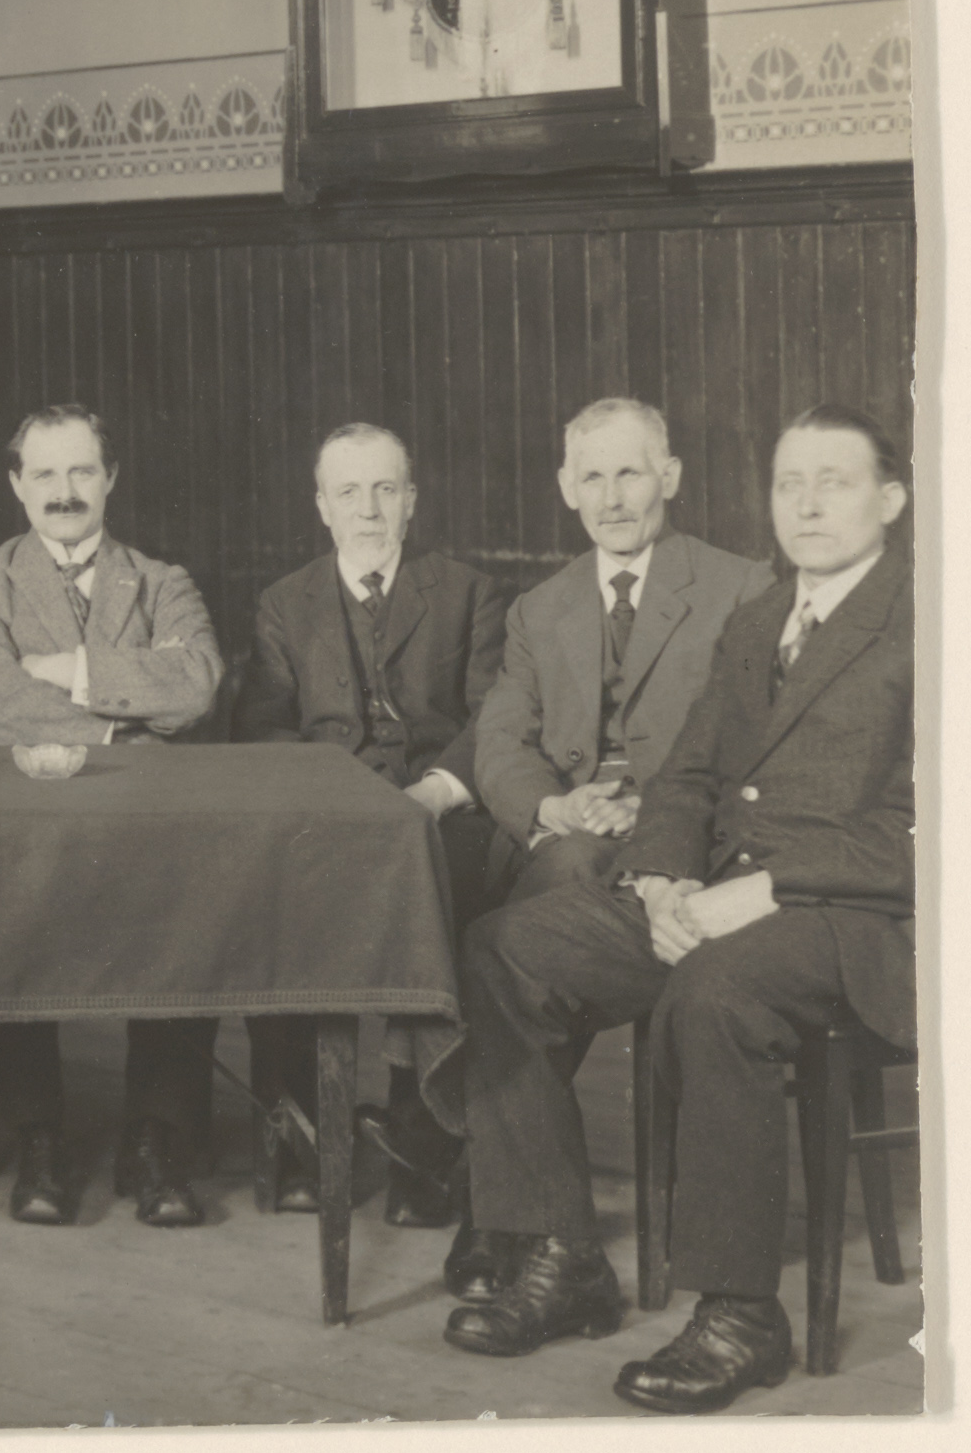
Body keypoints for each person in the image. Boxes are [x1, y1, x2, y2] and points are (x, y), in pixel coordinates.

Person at [444, 404, 913, 1414]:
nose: (806, 504)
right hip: (712, 896)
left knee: (714, 988)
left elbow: (933, 831)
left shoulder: (935, 619)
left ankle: (740, 1313)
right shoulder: (759, 619)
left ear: (890, 498)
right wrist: (660, 877)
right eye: (789, 483)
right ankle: (561, 1251)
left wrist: (760, 891)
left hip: (856, 919)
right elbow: (689, 778)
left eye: (833, 481)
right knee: (506, 948)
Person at [449, 400, 772, 1300]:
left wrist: (645, 812)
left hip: (682, 849)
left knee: (524, 926)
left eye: (629, 472)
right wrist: (554, 804)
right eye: (591, 476)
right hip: (568, 834)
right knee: (555, 865)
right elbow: (500, 741)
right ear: (565, 488)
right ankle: (515, 1205)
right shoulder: (538, 607)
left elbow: (748, 746)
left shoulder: (739, 586)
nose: (611, 496)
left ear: (668, 476)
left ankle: (500, 1202)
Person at [0, 405, 225, 1227]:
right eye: (45, 474)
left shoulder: (162, 582)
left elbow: (196, 685)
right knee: (10, 913)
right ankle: (34, 1138)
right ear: (16, 484)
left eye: (80, 471)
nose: (63, 491)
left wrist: (64, 667)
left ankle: (158, 1138)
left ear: (110, 478)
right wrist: (123, 724)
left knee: (187, 912)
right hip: (24, 814)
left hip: (142, 815)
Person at [233, 422, 509, 1225]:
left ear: (411, 500)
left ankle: (420, 1148)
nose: (367, 509)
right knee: (273, 899)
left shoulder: (468, 592)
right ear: (321, 505)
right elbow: (261, 725)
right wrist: (334, 795)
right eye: (347, 492)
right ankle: (301, 1144)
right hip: (327, 812)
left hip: (437, 812)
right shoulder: (284, 603)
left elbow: (495, 719)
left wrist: (437, 790)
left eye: (384, 489)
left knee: (450, 902)